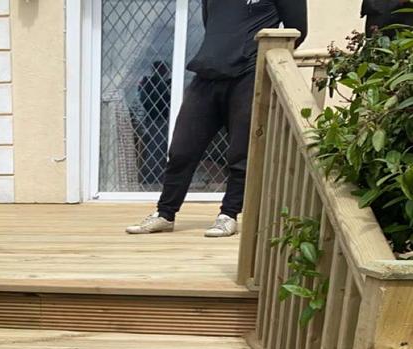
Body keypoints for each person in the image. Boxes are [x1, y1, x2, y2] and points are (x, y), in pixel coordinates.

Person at [127, 0, 307, 239]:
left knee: (240, 154)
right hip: (207, 73)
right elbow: (212, 24)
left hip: (248, 74)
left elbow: (297, 32)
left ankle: (228, 215)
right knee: (181, 150)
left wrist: (257, 60)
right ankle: (165, 214)